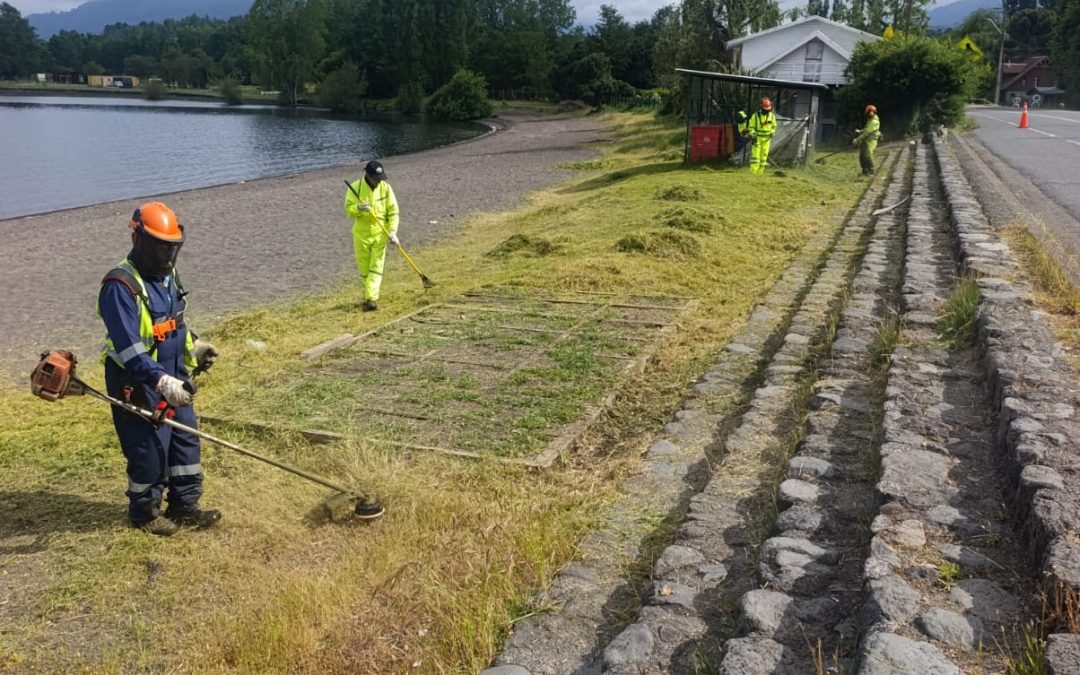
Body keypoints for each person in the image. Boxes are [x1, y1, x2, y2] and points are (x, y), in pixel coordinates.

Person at [98, 201, 220, 536]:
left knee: (185, 441)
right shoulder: (120, 287)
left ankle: (184, 505)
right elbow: (131, 350)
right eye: (160, 247)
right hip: (136, 381)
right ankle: (144, 514)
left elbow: (173, 325)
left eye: (172, 247)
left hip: (174, 374)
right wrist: (162, 382)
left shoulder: (168, 277)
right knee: (148, 450)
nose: (167, 255)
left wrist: (194, 347)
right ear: (138, 239)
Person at [344, 160, 400, 311]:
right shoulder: (355, 188)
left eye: (381, 178)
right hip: (361, 235)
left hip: (380, 234)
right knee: (364, 269)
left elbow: (393, 211)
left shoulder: (386, 188)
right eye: (376, 178)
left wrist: (393, 231)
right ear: (368, 175)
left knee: (376, 267)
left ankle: (371, 299)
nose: (379, 181)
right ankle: (369, 293)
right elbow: (348, 211)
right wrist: (358, 208)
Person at [744, 97, 777, 175]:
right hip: (757, 139)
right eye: (765, 109)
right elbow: (751, 127)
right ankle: (753, 172)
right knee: (756, 157)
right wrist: (752, 133)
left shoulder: (772, 116)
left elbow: (774, 126)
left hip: (767, 140)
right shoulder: (755, 116)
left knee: (764, 157)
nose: (767, 110)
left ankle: (760, 173)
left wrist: (772, 132)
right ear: (761, 107)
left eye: (768, 109)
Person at [854, 104, 882, 175]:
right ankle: (865, 171)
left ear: (872, 112)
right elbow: (866, 128)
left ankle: (872, 171)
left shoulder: (874, 121)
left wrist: (857, 139)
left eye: (868, 113)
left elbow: (867, 132)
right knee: (862, 156)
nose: (867, 115)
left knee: (867, 156)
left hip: (871, 141)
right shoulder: (870, 119)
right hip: (866, 140)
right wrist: (860, 131)